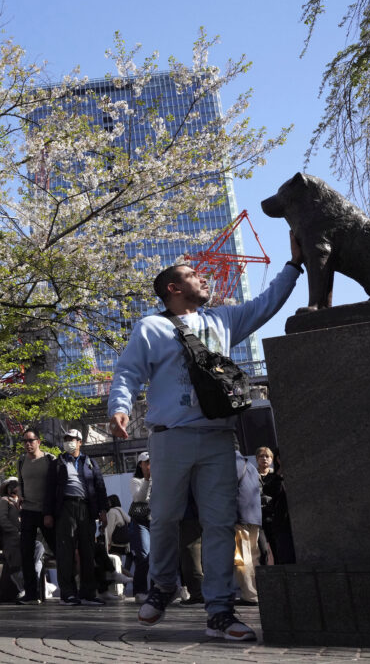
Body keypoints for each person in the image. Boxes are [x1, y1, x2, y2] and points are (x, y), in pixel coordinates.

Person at [108, 242, 302, 642]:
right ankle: (162, 587)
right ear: (173, 289)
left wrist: (293, 265)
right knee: (164, 517)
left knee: (220, 524)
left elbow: (267, 304)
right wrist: (119, 407)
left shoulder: (223, 320)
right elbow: (127, 372)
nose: (203, 279)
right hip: (170, 437)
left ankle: (219, 610)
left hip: (218, 438)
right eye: (193, 276)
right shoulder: (152, 327)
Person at [47, 429, 108, 607]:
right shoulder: (57, 462)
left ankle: (88, 593)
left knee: (88, 551)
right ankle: (68, 594)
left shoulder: (89, 462)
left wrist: (103, 510)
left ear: (80, 442)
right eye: (66, 439)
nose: (68, 442)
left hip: (86, 508)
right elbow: (49, 489)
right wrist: (48, 513)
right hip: (65, 508)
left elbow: (100, 486)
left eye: (72, 439)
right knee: (65, 551)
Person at [15, 429, 56, 605]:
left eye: (31, 440)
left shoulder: (50, 459)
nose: (28, 444)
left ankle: (70, 590)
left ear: (39, 441)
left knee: (57, 549)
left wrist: (50, 512)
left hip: (47, 510)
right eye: (25, 441)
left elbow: (56, 485)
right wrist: (19, 496)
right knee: (26, 552)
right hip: (28, 511)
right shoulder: (21, 460)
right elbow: (20, 482)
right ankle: (31, 594)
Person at [257, 447, 296, 565]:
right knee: (265, 551)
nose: (264, 459)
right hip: (263, 518)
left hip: (279, 516)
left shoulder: (276, 474)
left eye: (267, 456)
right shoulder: (254, 475)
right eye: (261, 456)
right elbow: (266, 491)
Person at [234, 451, 261, 606]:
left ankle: (249, 595)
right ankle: (258, 590)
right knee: (254, 555)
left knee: (242, 558)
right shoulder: (250, 465)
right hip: (255, 516)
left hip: (240, 516)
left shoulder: (231, 463)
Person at [0, 478, 27, 600]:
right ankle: (22, 586)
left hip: (26, 538)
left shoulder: (24, 501)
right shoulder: (5, 501)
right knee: (16, 558)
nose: (13, 488)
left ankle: (34, 584)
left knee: (38, 551)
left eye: (16, 485)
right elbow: (2, 519)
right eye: (10, 486)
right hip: (11, 539)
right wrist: (14, 530)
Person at [128, 452, 152, 598]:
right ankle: (140, 591)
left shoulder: (159, 478)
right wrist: (147, 480)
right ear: (140, 464)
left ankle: (157, 590)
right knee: (143, 556)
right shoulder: (135, 481)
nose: (150, 465)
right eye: (147, 462)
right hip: (141, 521)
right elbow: (139, 498)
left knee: (156, 557)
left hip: (155, 520)